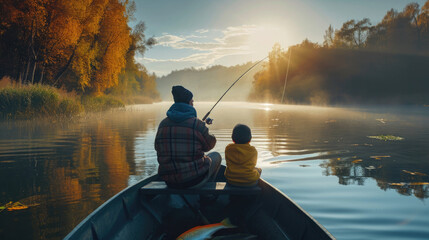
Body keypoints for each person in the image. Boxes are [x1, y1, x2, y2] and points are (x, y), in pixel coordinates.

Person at [155, 86, 222, 189]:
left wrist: (201, 126)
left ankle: (178, 198)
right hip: (193, 180)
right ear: (189, 103)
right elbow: (209, 145)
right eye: (192, 102)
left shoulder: (163, 124)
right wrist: (204, 128)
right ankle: (207, 196)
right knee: (216, 156)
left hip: (169, 181)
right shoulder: (197, 125)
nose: (193, 104)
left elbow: (157, 147)